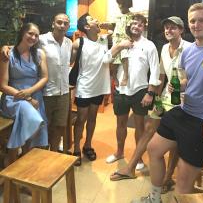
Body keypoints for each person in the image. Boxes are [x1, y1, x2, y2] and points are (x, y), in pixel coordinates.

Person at [132, 3, 203, 203]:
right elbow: (189, 80)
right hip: (185, 111)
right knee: (153, 149)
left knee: (183, 183)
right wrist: (180, 86)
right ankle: (154, 198)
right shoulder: (189, 52)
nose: (196, 24)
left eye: (201, 20)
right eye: (192, 20)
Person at [110, 16, 191, 189]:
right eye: (167, 28)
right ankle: (130, 168)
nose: (169, 30)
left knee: (175, 138)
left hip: (185, 100)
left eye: (173, 28)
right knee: (149, 129)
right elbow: (160, 75)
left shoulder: (190, 49)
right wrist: (157, 97)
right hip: (166, 98)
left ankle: (168, 177)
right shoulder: (164, 48)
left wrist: (184, 85)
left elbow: (197, 78)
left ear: (181, 30)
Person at [72, 13, 133, 166]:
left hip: (99, 87)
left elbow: (118, 30)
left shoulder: (104, 39)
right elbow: (69, 62)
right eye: (93, 19)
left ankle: (87, 145)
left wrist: (108, 25)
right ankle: (76, 149)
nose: (96, 20)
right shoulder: (79, 43)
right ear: (86, 27)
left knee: (93, 118)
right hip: (84, 87)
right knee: (81, 119)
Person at [106, 14, 160, 171]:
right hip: (121, 90)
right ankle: (119, 152)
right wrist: (120, 46)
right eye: (134, 23)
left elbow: (155, 71)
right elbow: (106, 59)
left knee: (139, 126)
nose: (137, 26)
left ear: (144, 27)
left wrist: (150, 93)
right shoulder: (122, 43)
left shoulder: (149, 45)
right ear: (129, 26)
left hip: (140, 91)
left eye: (140, 24)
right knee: (120, 124)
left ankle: (139, 157)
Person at [0, 23, 48, 164]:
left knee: (33, 134)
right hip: (14, 97)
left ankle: (21, 164)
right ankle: (13, 156)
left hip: (34, 95)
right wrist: (26, 97)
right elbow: (2, 85)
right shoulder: (8, 54)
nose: (33, 37)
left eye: (36, 35)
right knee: (32, 117)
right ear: (22, 33)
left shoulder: (39, 54)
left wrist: (30, 92)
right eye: (30, 33)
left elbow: (45, 77)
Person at [39, 13, 73, 152]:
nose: (62, 25)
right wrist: (6, 48)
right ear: (53, 24)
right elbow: (22, 47)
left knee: (59, 126)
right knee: (43, 127)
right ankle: (41, 156)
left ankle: (53, 155)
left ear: (68, 26)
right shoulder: (41, 40)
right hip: (45, 92)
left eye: (65, 23)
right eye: (59, 22)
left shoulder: (68, 43)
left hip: (63, 92)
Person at [101, 0, 133, 86]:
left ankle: (126, 75)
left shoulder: (131, 16)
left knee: (124, 56)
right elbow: (112, 26)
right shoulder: (116, 16)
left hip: (125, 39)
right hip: (116, 39)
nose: (119, 6)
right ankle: (114, 76)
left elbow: (130, 28)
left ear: (127, 3)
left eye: (122, 3)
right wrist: (105, 25)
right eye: (118, 3)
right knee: (114, 58)